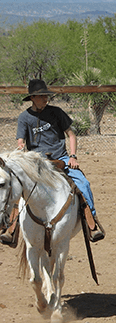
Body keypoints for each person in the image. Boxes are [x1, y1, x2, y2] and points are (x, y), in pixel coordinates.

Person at [2, 79, 105, 244]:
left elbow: (71, 134)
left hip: (61, 159)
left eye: (46, 96)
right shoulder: (24, 117)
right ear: (33, 97)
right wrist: (21, 148)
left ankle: (91, 223)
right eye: (42, 96)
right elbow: (20, 141)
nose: (45, 99)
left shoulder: (56, 112)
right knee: (19, 188)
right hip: (37, 162)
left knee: (83, 183)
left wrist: (73, 156)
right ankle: (11, 228)